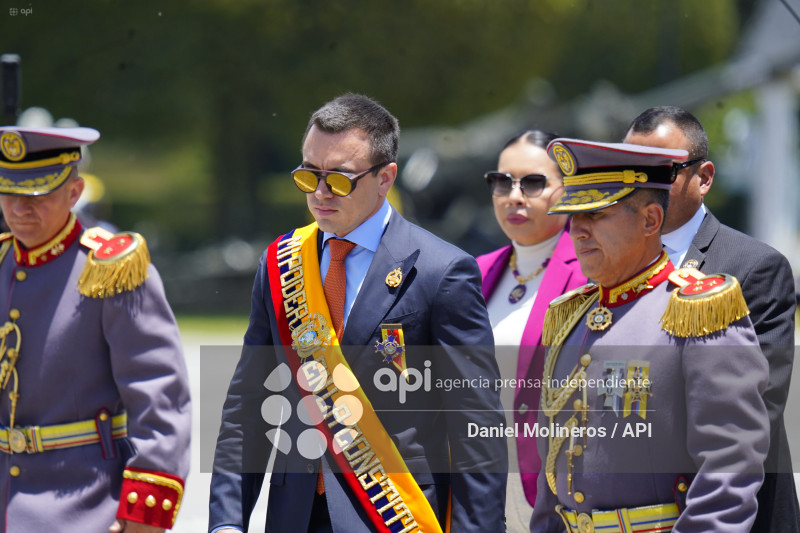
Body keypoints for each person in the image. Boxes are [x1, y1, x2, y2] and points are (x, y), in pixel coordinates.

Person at [209, 93, 507, 533]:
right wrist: (227, 521)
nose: (321, 193)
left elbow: (475, 426)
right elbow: (249, 406)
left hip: (395, 515)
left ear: (386, 178)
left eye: (341, 179)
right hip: (295, 516)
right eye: (309, 175)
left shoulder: (441, 271)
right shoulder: (280, 264)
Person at [529, 138, 769, 531]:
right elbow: (552, 477)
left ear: (650, 221)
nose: (580, 230)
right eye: (575, 217)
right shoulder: (569, 316)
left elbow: (729, 468)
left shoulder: (696, 310)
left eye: (597, 214)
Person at [0, 126, 191, 532]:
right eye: (8, 192)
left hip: (83, 504)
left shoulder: (110, 270)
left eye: (37, 193)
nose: (19, 208)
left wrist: (146, 510)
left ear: (74, 192)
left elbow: (160, 395)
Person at [623, 106, 799, 533]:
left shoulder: (755, 267)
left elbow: (757, 408)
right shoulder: (609, 264)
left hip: (728, 512)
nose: (643, 184)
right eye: (631, 170)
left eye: (662, 170)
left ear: (704, 178)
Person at [475, 129, 586, 531]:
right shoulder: (474, 272)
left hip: (555, 486)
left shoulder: (592, 272)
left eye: (533, 182)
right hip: (479, 482)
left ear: (568, 189)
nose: (515, 196)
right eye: (502, 181)